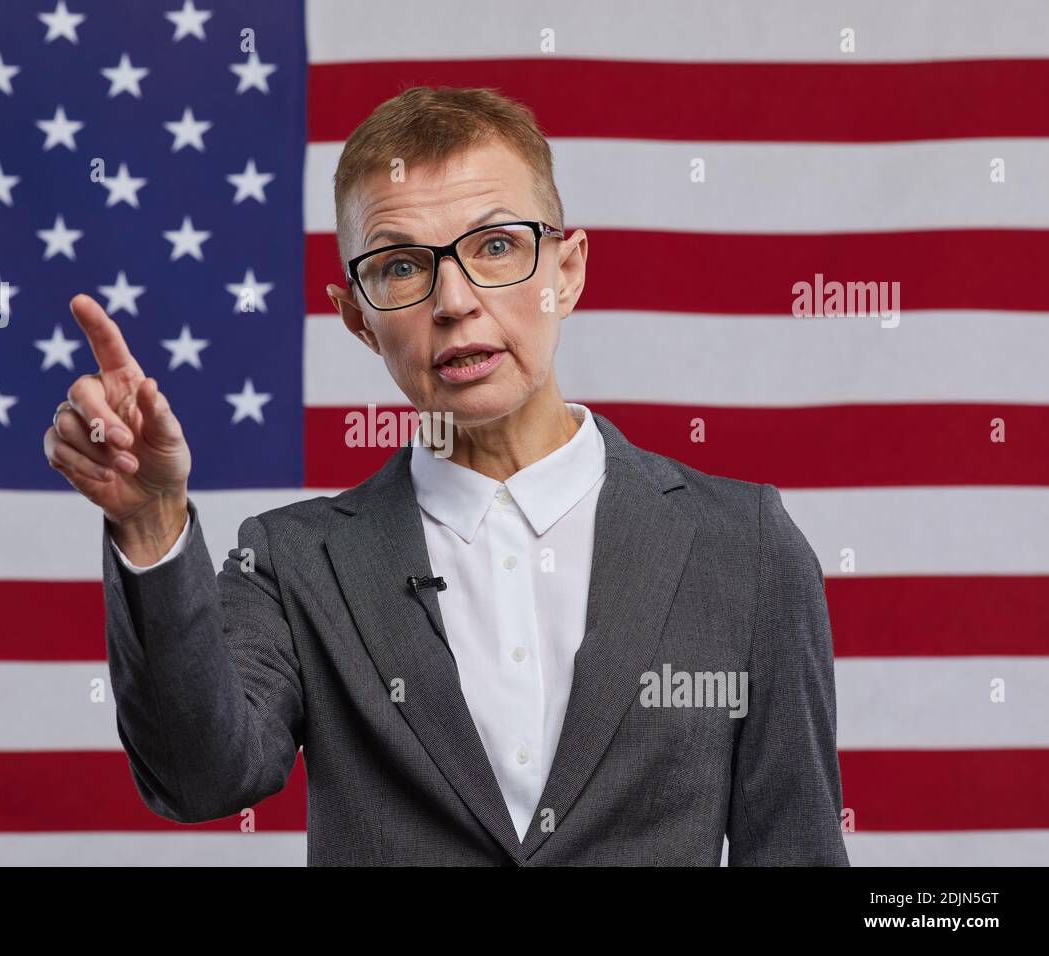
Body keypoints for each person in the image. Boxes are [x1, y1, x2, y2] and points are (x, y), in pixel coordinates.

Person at [42, 86, 849, 866]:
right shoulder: (293, 562)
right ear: (358, 317)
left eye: (496, 246)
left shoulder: (743, 547)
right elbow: (200, 778)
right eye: (401, 267)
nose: (455, 301)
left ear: (565, 272)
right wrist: (151, 524)